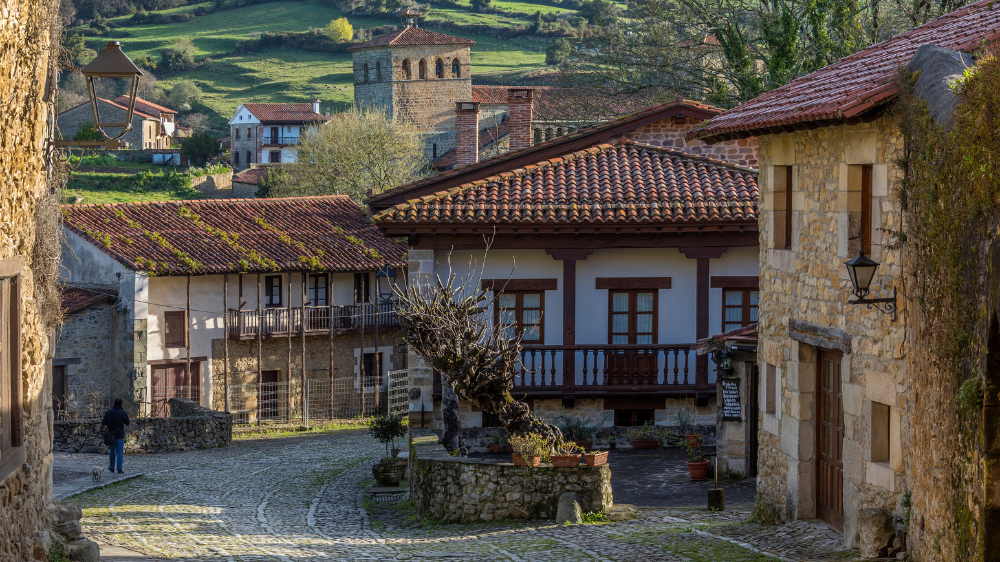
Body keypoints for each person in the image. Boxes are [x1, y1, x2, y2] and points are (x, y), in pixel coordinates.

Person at [101, 398, 130, 474]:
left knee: (112, 451)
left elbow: (103, 422)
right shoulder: (123, 412)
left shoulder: (109, 412)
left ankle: (111, 467)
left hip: (111, 434)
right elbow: (127, 422)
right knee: (120, 452)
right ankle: (119, 468)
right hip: (120, 434)